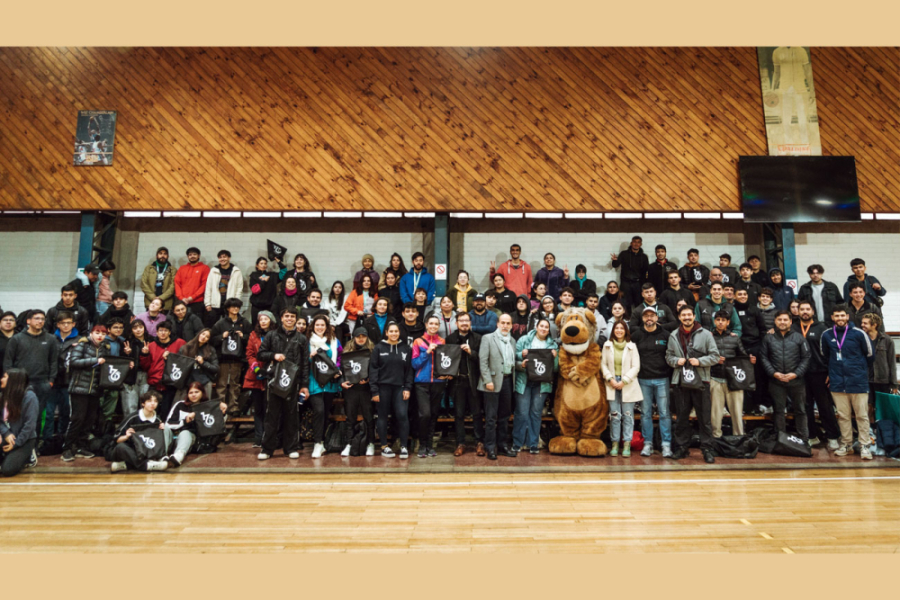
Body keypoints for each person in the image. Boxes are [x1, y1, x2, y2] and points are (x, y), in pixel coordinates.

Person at [665, 305, 720, 463]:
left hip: (701, 381)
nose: (687, 317)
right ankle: (682, 448)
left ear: (694, 316)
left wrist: (700, 361)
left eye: (689, 315)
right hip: (680, 382)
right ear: (680, 317)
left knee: (704, 418)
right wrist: (677, 361)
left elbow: (715, 356)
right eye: (684, 315)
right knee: (682, 417)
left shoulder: (706, 334)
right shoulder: (674, 335)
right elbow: (668, 356)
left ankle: (707, 449)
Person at [256, 307, 310, 461]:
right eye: (286, 316)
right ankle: (267, 449)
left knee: (291, 416)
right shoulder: (271, 335)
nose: (289, 319)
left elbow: (305, 363)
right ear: (281, 318)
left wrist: (304, 385)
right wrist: (274, 355)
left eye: (292, 316)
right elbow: (261, 353)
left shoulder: (302, 339)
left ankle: (291, 448)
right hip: (274, 381)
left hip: (293, 383)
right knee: (271, 416)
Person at [821, 304, 874, 459]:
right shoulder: (826, 335)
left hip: (858, 381)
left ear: (847, 317)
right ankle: (847, 444)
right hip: (837, 382)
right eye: (837, 316)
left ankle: (864, 445)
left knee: (862, 415)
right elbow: (825, 355)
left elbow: (870, 355)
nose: (840, 318)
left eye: (842, 315)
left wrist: (858, 370)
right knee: (843, 416)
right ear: (832, 318)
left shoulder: (858, 333)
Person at [61, 325, 115, 461]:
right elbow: (73, 362)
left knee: (89, 420)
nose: (100, 336)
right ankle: (67, 448)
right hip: (79, 388)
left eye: (103, 333)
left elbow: (109, 366)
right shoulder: (82, 345)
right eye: (97, 333)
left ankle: (81, 446)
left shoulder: (105, 348)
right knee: (77, 419)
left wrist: (125, 364)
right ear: (91, 333)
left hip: (95, 390)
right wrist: (95, 361)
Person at [3, 310, 57, 441]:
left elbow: (54, 361)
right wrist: (10, 383)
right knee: (16, 415)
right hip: (19, 385)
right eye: (37, 318)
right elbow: (8, 362)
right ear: (28, 321)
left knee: (36, 416)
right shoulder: (16, 339)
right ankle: (17, 443)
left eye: (42, 319)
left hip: (42, 383)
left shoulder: (50, 339)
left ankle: (33, 445)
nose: (40, 321)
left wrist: (51, 380)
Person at [793, 301, 840, 448]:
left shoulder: (823, 328)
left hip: (819, 372)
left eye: (808, 309)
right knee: (805, 407)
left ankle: (832, 436)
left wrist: (830, 372)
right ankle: (812, 435)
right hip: (800, 374)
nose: (805, 312)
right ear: (798, 311)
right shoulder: (793, 327)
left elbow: (832, 352)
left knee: (825, 406)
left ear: (813, 311)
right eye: (802, 309)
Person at [760, 310, 811, 442]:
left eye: (785, 320)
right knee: (778, 411)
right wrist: (773, 373)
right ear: (775, 321)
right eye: (779, 320)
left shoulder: (799, 337)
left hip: (796, 381)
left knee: (800, 410)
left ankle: (803, 439)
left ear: (790, 321)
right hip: (776, 381)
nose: (782, 322)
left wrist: (796, 374)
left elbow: (806, 358)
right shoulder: (768, 338)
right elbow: (764, 357)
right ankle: (781, 439)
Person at [631, 307, 673, 457]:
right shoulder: (636, 335)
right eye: (646, 316)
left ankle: (666, 444)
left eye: (652, 315)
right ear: (642, 319)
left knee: (664, 413)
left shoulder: (666, 334)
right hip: (643, 379)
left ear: (656, 317)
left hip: (662, 379)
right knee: (646, 414)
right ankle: (647, 443)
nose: (649, 318)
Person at [513, 318, 558, 454]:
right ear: (536, 327)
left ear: (549, 330)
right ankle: (518, 443)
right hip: (524, 381)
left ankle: (533, 443)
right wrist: (522, 356)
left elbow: (555, 369)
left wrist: (555, 357)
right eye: (541, 326)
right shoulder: (524, 340)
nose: (544, 329)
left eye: (546, 327)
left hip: (542, 384)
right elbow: (513, 357)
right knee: (521, 413)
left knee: (536, 413)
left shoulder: (552, 345)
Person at [369, 322, 413, 458]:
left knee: (402, 415)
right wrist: (374, 390)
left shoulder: (405, 348)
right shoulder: (378, 348)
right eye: (391, 331)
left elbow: (409, 371)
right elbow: (373, 370)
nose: (394, 334)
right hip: (383, 388)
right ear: (386, 333)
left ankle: (404, 446)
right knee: (382, 416)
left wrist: (407, 387)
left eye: (396, 331)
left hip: (400, 388)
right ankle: (384, 446)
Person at [478, 313, 517, 460]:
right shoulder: (488, 338)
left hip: (507, 381)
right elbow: (483, 361)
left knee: (504, 417)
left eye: (508, 323)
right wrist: (487, 380)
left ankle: (502, 445)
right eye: (503, 323)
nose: (505, 325)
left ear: (511, 325)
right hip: (491, 383)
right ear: (497, 324)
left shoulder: (512, 341)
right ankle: (490, 447)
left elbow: (512, 363)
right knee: (491, 418)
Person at [445, 313, 484, 456]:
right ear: (456, 323)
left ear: (470, 323)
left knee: (477, 414)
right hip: (457, 382)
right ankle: (460, 443)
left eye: (467, 320)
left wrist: (471, 352)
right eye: (461, 321)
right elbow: (446, 359)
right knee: (459, 414)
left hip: (473, 381)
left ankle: (479, 443)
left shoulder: (478, 338)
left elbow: (483, 359)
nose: (464, 323)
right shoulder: (450, 339)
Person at [602, 320, 642, 457]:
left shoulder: (632, 346)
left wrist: (624, 380)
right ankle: (614, 444)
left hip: (628, 383)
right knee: (614, 415)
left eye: (622, 328)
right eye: (616, 328)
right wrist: (610, 378)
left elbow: (636, 366)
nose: (619, 330)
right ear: (613, 330)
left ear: (626, 331)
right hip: (611, 383)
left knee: (628, 416)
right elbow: (603, 365)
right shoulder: (607, 345)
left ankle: (627, 444)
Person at [710, 310, 752, 438]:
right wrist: (714, 360)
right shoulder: (709, 337)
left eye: (723, 320)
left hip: (734, 380)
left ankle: (739, 439)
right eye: (718, 320)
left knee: (737, 413)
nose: (720, 322)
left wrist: (750, 359)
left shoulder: (735, 338)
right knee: (715, 414)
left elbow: (743, 357)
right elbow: (702, 357)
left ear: (728, 322)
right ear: (714, 321)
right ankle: (716, 439)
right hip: (715, 378)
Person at [165, 381, 227, 468]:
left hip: (194, 440)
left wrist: (222, 412)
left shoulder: (208, 407)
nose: (193, 395)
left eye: (197, 392)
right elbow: (168, 424)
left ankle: (178, 457)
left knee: (185, 433)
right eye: (191, 392)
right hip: (175, 437)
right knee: (170, 430)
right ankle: (162, 456)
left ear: (202, 393)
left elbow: (217, 426)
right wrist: (185, 420)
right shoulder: (180, 405)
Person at [411, 315, 448, 458]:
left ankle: (430, 446)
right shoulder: (418, 341)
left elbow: (445, 362)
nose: (433, 326)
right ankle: (422, 444)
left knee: (433, 415)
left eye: (436, 324)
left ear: (439, 326)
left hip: (438, 382)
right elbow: (414, 364)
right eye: (431, 323)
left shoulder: (442, 341)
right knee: (424, 414)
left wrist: (446, 374)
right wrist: (427, 352)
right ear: (426, 325)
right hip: (422, 382)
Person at [307, 314, 343, 459]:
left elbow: (339, 358)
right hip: (313, 380)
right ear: (313, 326)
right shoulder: (307, 341)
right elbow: (301, 360)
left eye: (323, 325)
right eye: (317, 325)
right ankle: (317, 443)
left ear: (327, 327)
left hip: (329, 382)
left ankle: (321, 441)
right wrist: (309, 356)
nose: (320, 327)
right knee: (319, 410)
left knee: (326, 411)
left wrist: (337, 369)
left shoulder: (334, 341)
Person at [109, 390, 169, 473]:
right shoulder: (132, 417)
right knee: (121, 447)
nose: (152, 403)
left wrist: (161, 430)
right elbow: (116, 440)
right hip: (128, 450)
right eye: (149, 401)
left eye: (155, 401)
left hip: (144, 452)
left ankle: (126, 465)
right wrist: (126, 436)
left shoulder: (158, 420)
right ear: (143, 404)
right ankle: (147, 465)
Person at [210, 298, 251, 415]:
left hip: (237, 358)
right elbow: (212, 339)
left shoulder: (244, 322)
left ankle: (234, 407)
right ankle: (220, 407)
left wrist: (243, 336)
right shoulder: (220, 323)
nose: (235, 309)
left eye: (237, 307)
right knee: (221, 384)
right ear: (228, 308)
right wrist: (222, 337)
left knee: (235, 383)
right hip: (223, 358)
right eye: (233, 306)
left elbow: (251, 337)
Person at [339, 328, 376, 457]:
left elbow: (377, 369)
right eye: (358, 336)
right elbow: (341, 370)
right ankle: (349, 444)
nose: (361, 338)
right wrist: (342, 382)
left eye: (363, 336)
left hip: (366, 389)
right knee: (350, 417)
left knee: (369, 417)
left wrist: (371, 379)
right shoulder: (347, 352)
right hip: (351, 389)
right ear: (353, 337)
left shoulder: (372, 351)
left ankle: (371, 443)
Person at [733, 288, 768, 415]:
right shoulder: (732, 310)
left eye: (744, 294)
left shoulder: (754, 310)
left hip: (755, 346)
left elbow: (762, 329)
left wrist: (760, 346)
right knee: (740, 377)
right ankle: (744, 406)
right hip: (738, 348)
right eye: (739, 294)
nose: (742, 296)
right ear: (735, 296)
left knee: (757, 377)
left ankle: (757, 404)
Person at [243, 310, 275, 448]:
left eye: (265, 319)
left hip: (271, 373)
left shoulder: (276, 334)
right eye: (260, 319)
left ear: (271, 320)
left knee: (270, 407)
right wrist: (255, 367)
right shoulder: (253, 335)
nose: (262, 321)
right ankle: (258, 437)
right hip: (257, 374)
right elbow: (249, 353)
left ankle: (269, 436)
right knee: (258, 408)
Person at [0, 369, 39, 476]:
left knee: (7, 470)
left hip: (24, 439)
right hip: (7, 436)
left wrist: (16, 444)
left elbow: (29, 426)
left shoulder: (30, 397)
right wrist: (6, 433)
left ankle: (29, 455)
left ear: (13, 381)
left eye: (4, 377)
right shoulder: (3, 396)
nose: (1, 379)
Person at [46, 311, 77, 440]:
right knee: (48, 413)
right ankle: (46, 440)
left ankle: (61, 439)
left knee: (66, 413)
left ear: (73, 324)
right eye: (62, 323)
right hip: (51, 381)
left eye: (68, 323)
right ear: (58, 324)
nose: (65, 326)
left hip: (69, 382)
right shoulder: (50, 339)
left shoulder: (79, 340)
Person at [861, 313, 896, 425]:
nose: (862, 325)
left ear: (874, 325)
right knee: (868, 406)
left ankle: (883, 431)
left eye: (865, 323)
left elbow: (892, 362)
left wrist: (894, 384)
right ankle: (870, 430)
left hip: (882, 380)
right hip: (866, 379)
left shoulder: (886, 339)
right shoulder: (861, 338)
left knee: (882, 407)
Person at [120, 319, 151, 417]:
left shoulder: (151, 341)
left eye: (140, 327)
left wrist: (146, 353)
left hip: (146, 375)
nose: (138, 330)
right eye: (135, 328)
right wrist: (127, 354)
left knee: (145, 405)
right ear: (131, 330)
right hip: (130, 376)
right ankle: (129, 427)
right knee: (130, 406)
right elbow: (121, 361)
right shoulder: (127, 342)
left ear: (144, 328)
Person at [203, 250, 242, 327]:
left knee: (229, 326)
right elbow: (208, 287)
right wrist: (207, 303)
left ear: (229, 258)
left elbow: (239, 289)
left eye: (224, 257)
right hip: (215, 304)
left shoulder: (236, 271)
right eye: (220, 257)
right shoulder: (214, 270)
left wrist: (236, 304)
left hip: (230, 304)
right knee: (212, 326)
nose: (222, 259)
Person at [611, 236, 649, 307]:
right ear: (631, 243)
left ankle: (638, 318)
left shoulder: (644, 256)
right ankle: (627, 318)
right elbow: (615, 265)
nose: (636, 244)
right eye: (634, 242)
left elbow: (645, 271)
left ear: (641, 244)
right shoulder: (624, 254)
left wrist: (643, 285)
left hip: (638, 284)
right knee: (625, 304)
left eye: (638, 242)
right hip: (625, 283)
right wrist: (614, 260)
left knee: (639, 303)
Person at [175, 247, 211, 319]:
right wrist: (181, 298)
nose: (192, 256)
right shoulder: (182, 268)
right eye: (190, 255)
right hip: (182, 302)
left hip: (197, 302)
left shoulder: (204, 268)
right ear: (188, 256)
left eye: (194, 254)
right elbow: (177, 283)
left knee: (197, 324)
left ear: (199, 256)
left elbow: (204, 285)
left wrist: (192, 297)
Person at [140, 246, 176, 312]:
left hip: (166, 303)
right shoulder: (148, 268)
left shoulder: (173, 270)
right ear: (157, 256)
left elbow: (173, 286)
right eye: (160, 253)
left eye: (165, 254)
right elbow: (143, 284)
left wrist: (161, 298)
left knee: (165, 322)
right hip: (151, 302)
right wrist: (153, 298)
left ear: (168, 256)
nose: (163, 255)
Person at [249, 256, 279, 323]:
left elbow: (283, 274)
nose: (263, 265)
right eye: (261, 263)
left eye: (265, 263)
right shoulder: (254, 275)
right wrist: (263, 281)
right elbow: (255, 290)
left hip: (269, 306)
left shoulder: (271, 275)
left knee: (270, 324)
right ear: (257, 265)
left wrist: (279, 262)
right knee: (256, 325)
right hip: (257, 306)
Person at [0, 311, 16, 380]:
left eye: (11, 320)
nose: (8, 322)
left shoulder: (20, 338)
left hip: (16, 376)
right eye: (5, 320)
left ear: (15, 323)